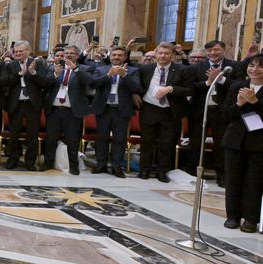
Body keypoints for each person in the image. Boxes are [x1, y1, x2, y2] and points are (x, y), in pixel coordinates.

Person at [136, 41, 193, 182]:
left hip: (170, 111)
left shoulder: (182, 70)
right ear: (156, 54)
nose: (163, 56)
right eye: (160, 53)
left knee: (166, 142)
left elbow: (190, 89)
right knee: (147, 141)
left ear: (173, 55)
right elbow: (137, 85)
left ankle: (162, 171)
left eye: (167, 53)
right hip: (149, 108)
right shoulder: (145, 69)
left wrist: (171, 88)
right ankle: (144, 170)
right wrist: (134, 94)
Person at [220, 54, 263, 232]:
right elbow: (225, 115)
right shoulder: (237, 86)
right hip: (235, 140)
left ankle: (251, 218)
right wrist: (238, 104)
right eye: (251, 65)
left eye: (260, 66)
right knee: (233, 179)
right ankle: (232, 215)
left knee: (254, 181)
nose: (254, 69)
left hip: (259, 143)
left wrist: (256, 103)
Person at [187, 39, 239, 185]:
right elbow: (191, 87)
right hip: (200, 111)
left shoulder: (233, 66)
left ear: (223, 50)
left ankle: (222, 175)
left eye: (216, 50)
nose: (213, 53)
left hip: (221, 112)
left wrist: (221, 79)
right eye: (209, 51)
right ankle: (192, 173)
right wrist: (208, 83)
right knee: (196, 144)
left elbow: (237, 85)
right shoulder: (197, 67)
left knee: (221, 145)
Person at [41, 45, 94, 175]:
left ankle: (73, 165)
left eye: (72, 53)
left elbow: (90, 82)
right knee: (51, 139)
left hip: (72, 111)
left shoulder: (84, 69)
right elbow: (45, 84)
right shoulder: (54, 68)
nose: (69, 55)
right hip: (54, 110)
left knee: (73, 140)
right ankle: (48, 162)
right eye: (66, 53)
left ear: (77, 56)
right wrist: (55, 74)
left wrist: (75, 69)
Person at [90, 45, 139, 177]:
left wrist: (124, 76)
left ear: (125, 57)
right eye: (114, 55)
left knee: (119, 139)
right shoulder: (101, 69)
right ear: (110, 56)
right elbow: (93, 84)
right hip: (103, 109)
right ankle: (101, 165)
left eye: (119, 55)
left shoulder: (133, 71)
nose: (116, 57)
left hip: (121, 110)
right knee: (101, 138)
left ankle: (116, 167)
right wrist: (108, 75)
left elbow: (137, 88)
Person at [5, 41, 54, 170]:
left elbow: (45, 83)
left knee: (32, 135)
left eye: (20, 51)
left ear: (28, 50)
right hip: (16, 103)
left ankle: (30, 162)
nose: (18, 53)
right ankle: (13, 159)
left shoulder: (38, 63)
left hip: (33, 103)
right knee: (14, 134)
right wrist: (19, 74)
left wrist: (32, 72)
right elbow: (7, 83)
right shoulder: (11, 65)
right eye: (16, 52)